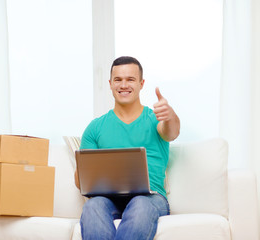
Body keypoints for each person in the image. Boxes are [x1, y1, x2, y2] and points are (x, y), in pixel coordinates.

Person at [74, 56, 180, 240]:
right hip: (108, 200)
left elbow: (172, 132)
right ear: (110, 84)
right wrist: (86, 172)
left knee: (140, 204)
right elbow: (80, 182)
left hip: (150, 199)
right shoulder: (95, 128)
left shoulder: (155, 119)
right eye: (118, 80)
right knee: (92, 206)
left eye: (130, 79)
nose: (124, 85)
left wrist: (170, 116)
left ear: (141, 83)